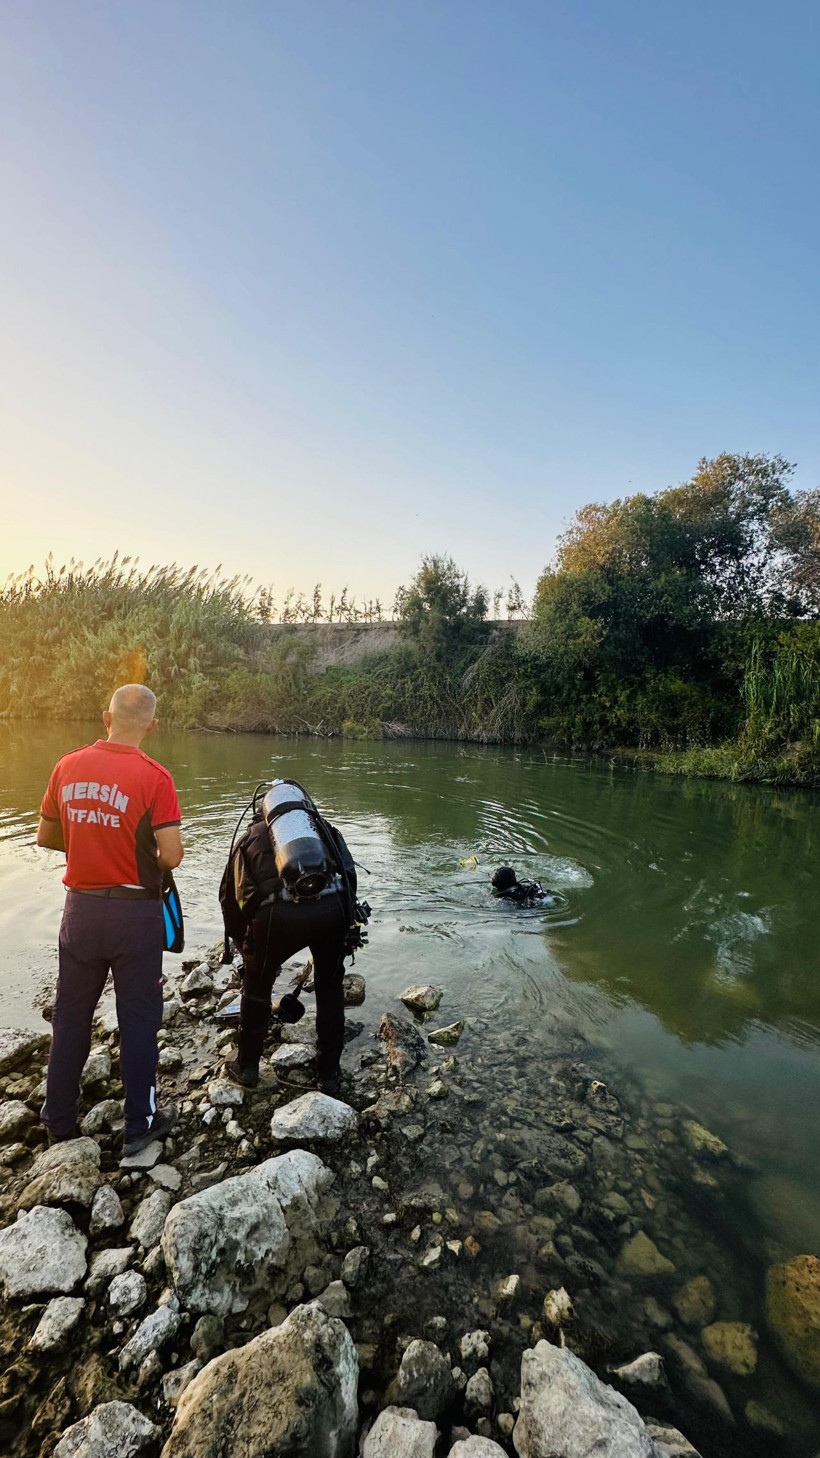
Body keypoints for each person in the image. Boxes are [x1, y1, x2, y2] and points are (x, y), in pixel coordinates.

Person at [36, 684, 183, 1155]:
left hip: (79, 911)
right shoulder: (155, 777)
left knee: (71, 1015)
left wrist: (86, 847)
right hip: (135, 914)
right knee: (139, 1017)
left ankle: (58, 1120)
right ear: (152, 726)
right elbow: (173, 855)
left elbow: (45, 836)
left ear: (107, 718)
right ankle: (139, 1125)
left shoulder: (67, 765)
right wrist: (140, 858)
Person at [220, 782, 364, 1097]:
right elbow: (349, 877)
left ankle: (247, 1068)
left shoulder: (249, 839)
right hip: (331, 909)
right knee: (329, 986)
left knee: (257, 989)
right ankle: (328, 1073)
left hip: (276, 917)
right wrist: (346, 930)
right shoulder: (324, 830)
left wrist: (246, 949)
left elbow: (231, 901)